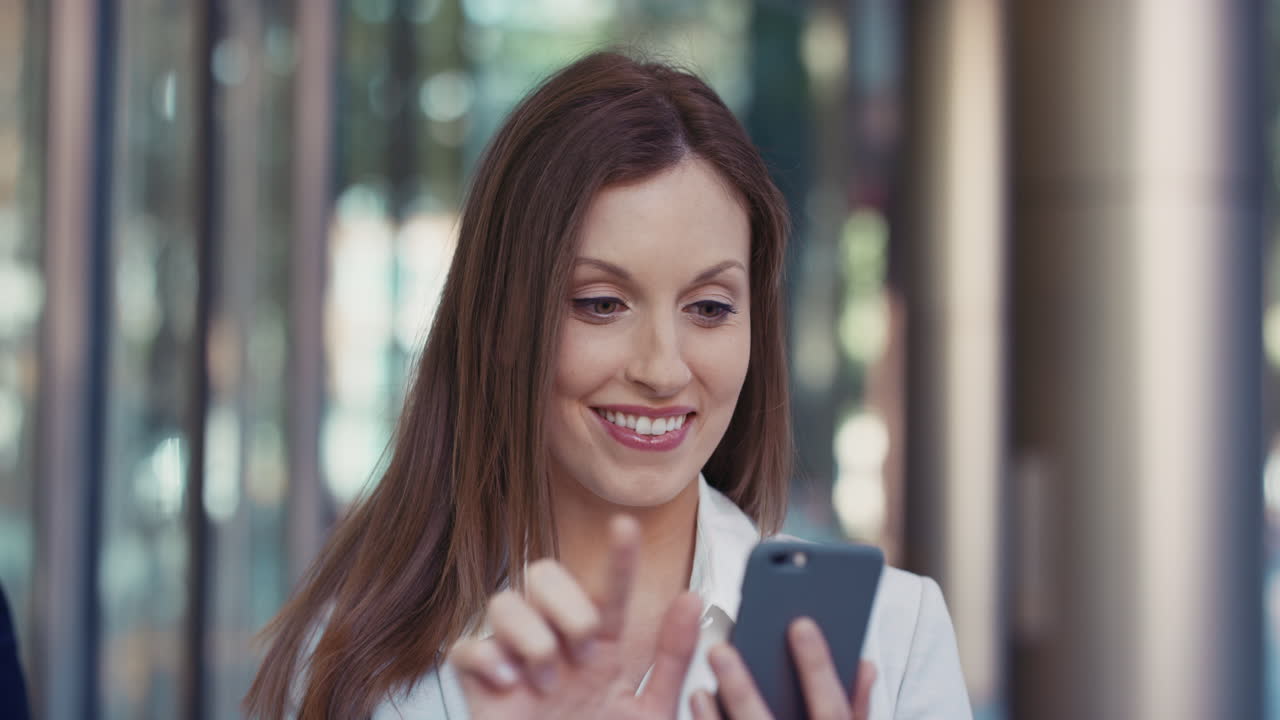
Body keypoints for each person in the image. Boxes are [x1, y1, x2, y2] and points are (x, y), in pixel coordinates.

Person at [245, 50, 970, 720]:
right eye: (601, 303)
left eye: (710, 308)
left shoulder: (893, 637)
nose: (660, 368)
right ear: (502, 322)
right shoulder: (356, 662)